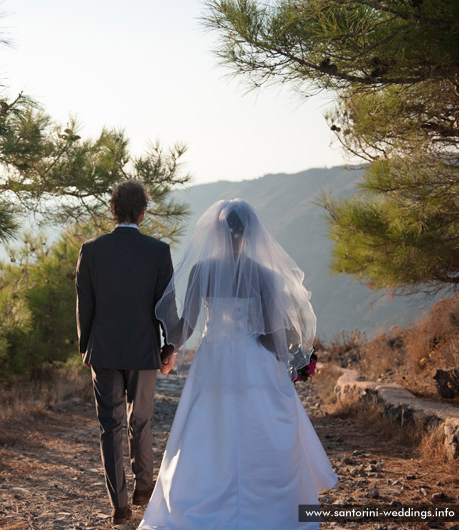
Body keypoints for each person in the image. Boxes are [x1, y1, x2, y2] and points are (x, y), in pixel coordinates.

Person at [139, 199, 338, 530]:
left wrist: (168, 347)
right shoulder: (264, 275)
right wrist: (292, 358)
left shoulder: (202, 271)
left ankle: (205, 500)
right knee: (258, 427)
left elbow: (187, 325)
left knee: (210, 430)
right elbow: (273, 331)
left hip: (214, 360)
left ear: (216, 232)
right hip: (254, 360)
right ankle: (270, 510)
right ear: (250, 233)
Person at [75, 180, 176, 525]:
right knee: (142, 420)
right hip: (144, 349)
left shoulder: (91, 250)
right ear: (143, 213)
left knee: (110, 426)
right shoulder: (158, 251)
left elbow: (84, 305)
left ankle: (119, 504)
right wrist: (169, 347)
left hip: (102, 350)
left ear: (113, 210)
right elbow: (167, 307)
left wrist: (85, 346)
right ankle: (144, 487)